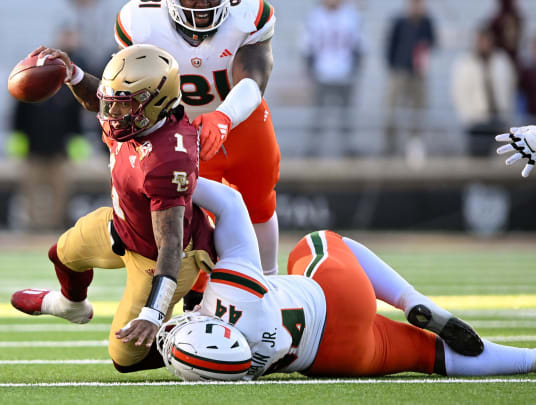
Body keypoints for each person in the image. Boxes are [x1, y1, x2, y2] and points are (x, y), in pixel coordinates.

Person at [157, 178, 536, 381]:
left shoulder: (238, 369)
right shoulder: (232, 291)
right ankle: (410, 299)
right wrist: (175, 181)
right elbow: (231, 204)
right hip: (335, 297)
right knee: (314, 244)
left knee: (430, 357)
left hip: (333, 358)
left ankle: (527, 361)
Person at [41, 0, 279, 284]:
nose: (203, 2)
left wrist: (225, 116)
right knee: (195, 220)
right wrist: (76, 76)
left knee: (260, 204)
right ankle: (199, 298)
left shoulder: (248, 14)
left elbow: (254, 79)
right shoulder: (141, 21)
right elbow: (123, 89)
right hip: (182, 130)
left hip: (242, 118)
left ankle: (270, 283)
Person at [10, 45, 216, 373]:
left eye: (123, 105)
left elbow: (170, 246)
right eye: (112, 102)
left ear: (156, 102)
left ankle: (189, 336)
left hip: (158, 257)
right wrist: (73, 74)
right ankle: (71, 305)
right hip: (122, 226)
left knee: (124, 356)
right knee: (62, 253)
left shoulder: (166, 160)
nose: (110, 114)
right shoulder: (140, 116)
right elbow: (100, 99)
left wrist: (153, 314)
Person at [10, 28, 87, 231]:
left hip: (59, 151)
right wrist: (19, 142)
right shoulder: (29, 84)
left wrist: (76, 145)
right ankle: (33, 228)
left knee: (60, 193)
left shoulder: (65, 90)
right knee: (31, 193)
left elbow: (75, 119)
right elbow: (18, 117)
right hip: (34, 151)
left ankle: (54, 227)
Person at [301, 0, 363, 157]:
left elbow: (359, 46)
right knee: (318, 116)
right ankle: (312, 149)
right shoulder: (315, 16)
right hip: (322, 73)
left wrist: (354, 70)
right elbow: (307, 47)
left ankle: (349, 148)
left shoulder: (352, 16)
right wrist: (311, 72)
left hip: (345, 73)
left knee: (346, 116)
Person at [383, 0, 437, 157]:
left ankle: (414, 147)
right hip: (399, 71)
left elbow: (432, 43)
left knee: (418, 111)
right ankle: (390, 147)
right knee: (391, 110)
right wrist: (394, 65)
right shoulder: (399, 22)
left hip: (418, 74)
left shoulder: (426, 23)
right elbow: (390, 46)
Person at [452, 27, 515, 157]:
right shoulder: (465, 63)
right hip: (477, 120)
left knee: (502, 157)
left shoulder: (501, 61)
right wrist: (468, 115)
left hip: (499, 117)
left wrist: (506, 110)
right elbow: (459, 93)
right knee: (479, 159)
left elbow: (510, 86)